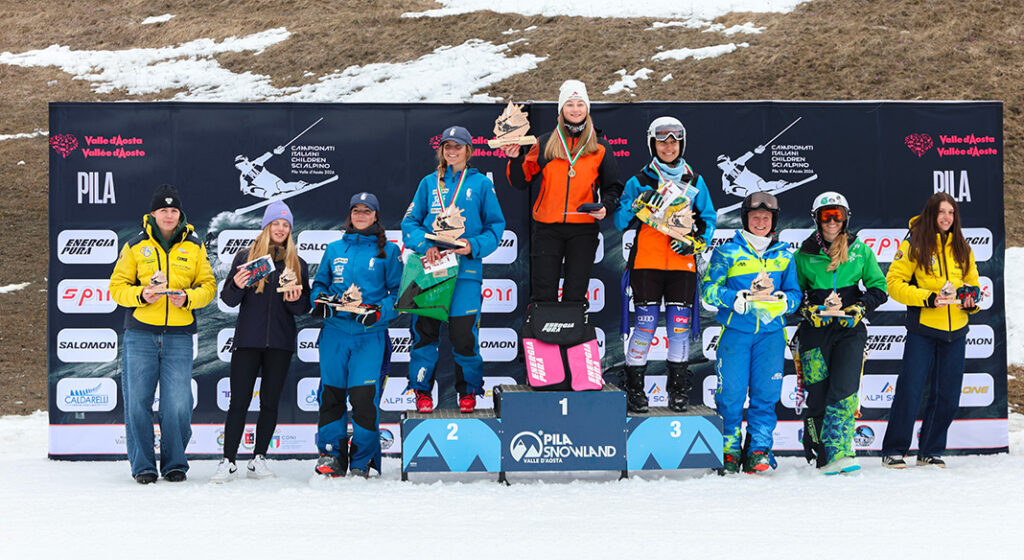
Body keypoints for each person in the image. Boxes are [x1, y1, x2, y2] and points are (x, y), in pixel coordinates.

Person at [109, 184, 216, 484]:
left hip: (179, 337)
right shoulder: (135, 246)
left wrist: (189, 298)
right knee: (137, 403)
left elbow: (208, 286)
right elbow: (117, 287)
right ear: (153, 214)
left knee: (178, 404)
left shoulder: (194, 246)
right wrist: (142, 295)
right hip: (140, 336)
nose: (169, 215)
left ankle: (174, 463)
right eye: (163, 210)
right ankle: (143, 466)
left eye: (173, 210)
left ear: (180, 214)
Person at [613, 116, 717, 413]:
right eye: (662, 142)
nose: (668, 147)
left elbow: (708, 219)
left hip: (682, 265)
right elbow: (620, 221)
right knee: (645, 327)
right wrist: (636, 204)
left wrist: (696, 242)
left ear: (681, 145)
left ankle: (678, 391)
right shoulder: (639, 181)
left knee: (678, 331)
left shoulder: (694, 180)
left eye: (674, 142)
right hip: (647, 263)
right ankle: (635, 390)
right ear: (652, 145)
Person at [402, 126, 506, 414]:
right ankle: (421, 391)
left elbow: (495, 226)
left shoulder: (480, 184)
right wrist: (426, 245)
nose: (452, 151)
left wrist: (472, 245)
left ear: (468, 150)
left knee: (464, 337)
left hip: (465, 273)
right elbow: (409, 223)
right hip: (429, 269)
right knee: (424, 334)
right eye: (447, 146)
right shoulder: (428, 183)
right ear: (442, 150)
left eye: (457, 146)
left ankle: (468, 391)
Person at [210, 201, 311, 483]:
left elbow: (303, 308)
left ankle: (258, 459)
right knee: (238, 403)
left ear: (290, 229)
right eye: (275, 223)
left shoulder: (297, 263)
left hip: (280, 343)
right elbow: (228, 299)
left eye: (285, 225)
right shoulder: (246, 257)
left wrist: (295, 299)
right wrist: (237, 284)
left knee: (270, 403)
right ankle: (228, 461)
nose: (280, 229)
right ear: (266, 226)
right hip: (247, 342)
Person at [700, 192, 800, 474]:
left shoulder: (784, 255)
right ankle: (729, 449)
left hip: (771, 335)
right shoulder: (727, 252)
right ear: (745, 218)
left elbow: (795, 294)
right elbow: (708, 290)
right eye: (755, 217)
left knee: (765, 394)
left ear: (773, 221)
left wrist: (783, 301)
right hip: (736, 333)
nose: (760, 222)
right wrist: (736, 298)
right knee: (731, 394)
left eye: (766, 218)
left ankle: (759, 449)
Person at [880, 192, 979, 469]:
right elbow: (893, 283)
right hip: (923, 329)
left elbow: (973, 284)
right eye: (941, 212)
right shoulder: (914, 242)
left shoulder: (963, 247)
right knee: (910, 391)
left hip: (956, 331)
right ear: (931, 214)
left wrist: (971, 301)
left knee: (948, 395)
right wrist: (928, 298)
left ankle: (930, 451)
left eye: (951, 212)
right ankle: (894, 450)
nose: (947, 217)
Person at [503, 79, 622, 304]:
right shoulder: (545, 143)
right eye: (570, 104)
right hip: (548, 228)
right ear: (561, 109)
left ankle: (573, 328)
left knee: (575, 293)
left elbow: (613, 187)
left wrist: (606, 207)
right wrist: (516, 158)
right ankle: (542, 329)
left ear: (587, 108)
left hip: (583, 229)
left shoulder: (600, 147)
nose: (575, 109)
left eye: (580, 104)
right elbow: (520, 181)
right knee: (543, 292)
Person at [794, 192, 887, 475]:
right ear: (817, 219)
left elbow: (879, 287)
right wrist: (807, 309)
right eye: (826, 215)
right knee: (818, 394)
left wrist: (861, 307)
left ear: (846, 218)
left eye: (838, 215)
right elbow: (794, 293)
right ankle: (820, 453)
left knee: (844, 391)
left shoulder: (860, 250)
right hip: (815, 332)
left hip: (849, 330)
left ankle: (841, 452)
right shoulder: (804, 254)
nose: (832, 221)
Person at [309, 192, 401, 478]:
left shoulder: (389, 251)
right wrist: (321, 303)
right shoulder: (334, 248)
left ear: (376, 216)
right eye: (356, 211)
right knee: (331, 396)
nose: (361, 215)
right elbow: (319, 285)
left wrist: (378, 313)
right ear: (350, 215)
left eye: (367, 211)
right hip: (335, 334)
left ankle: (363, 460)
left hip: (369, 335)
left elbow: (399, 294)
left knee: (363, 399)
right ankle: (332, 455)